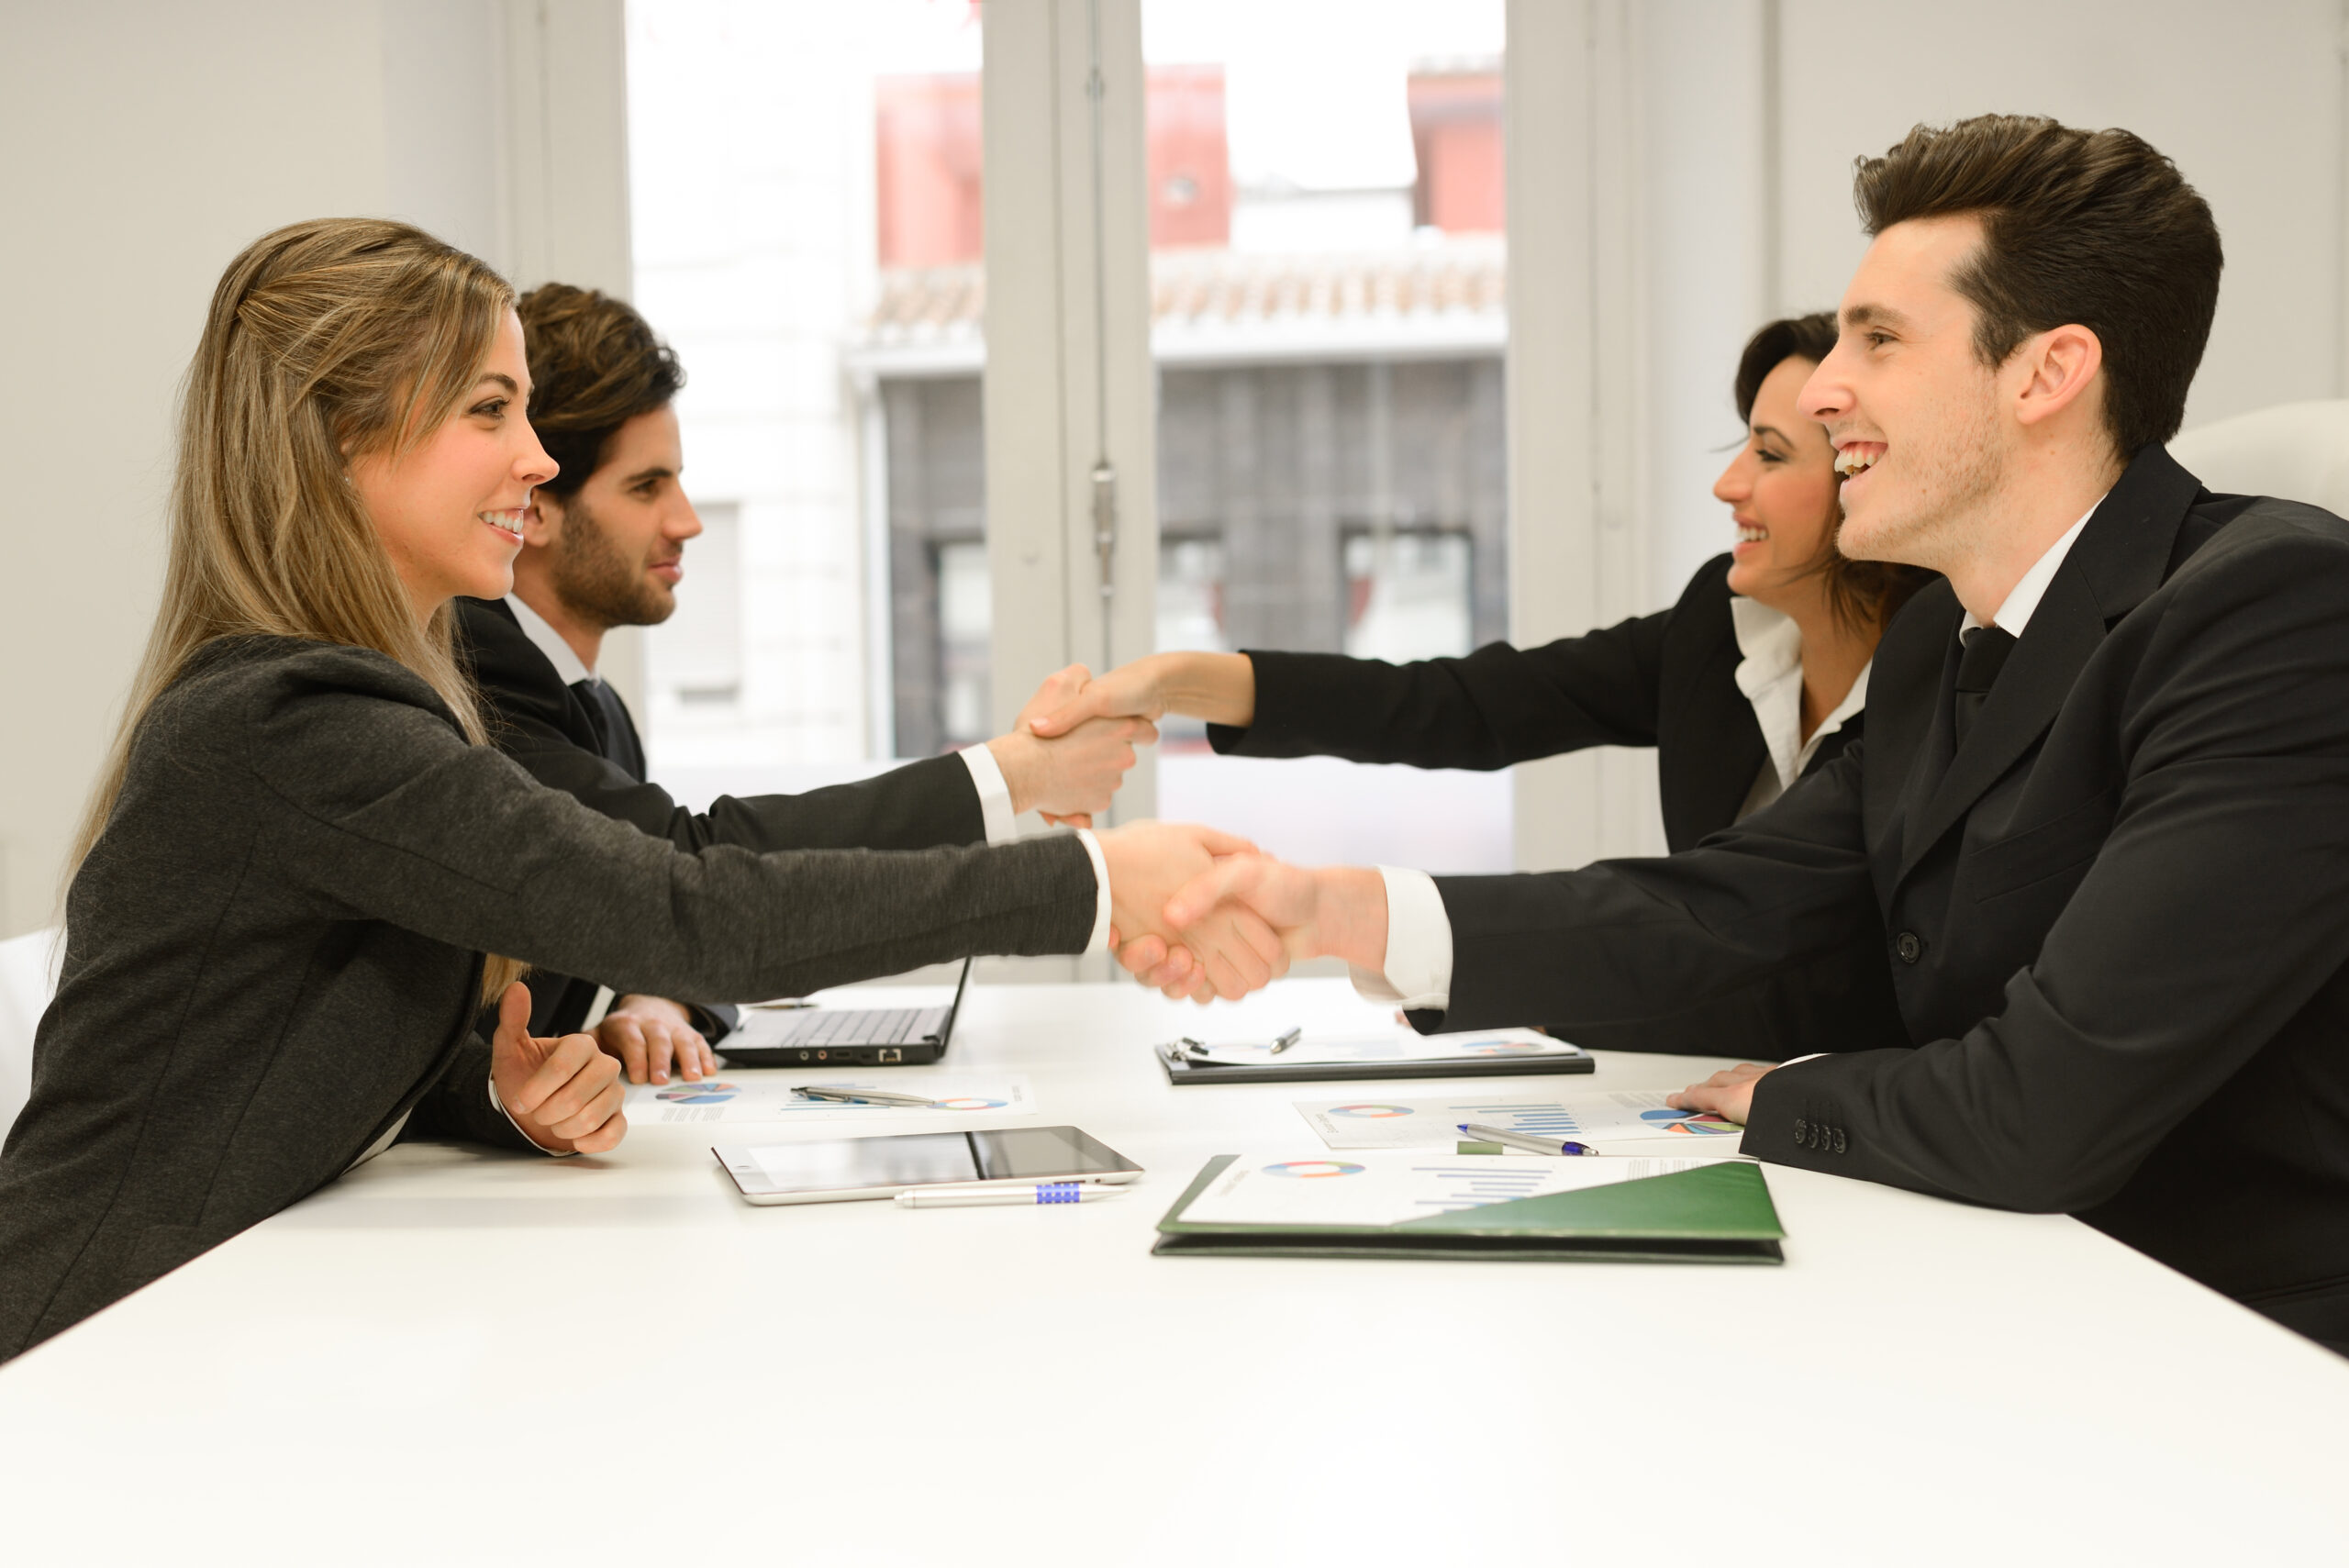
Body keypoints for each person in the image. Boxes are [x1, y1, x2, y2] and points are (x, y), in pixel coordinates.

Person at [1135, 115, 2349, 1351]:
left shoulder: (2273, 610)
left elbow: (2044, 1106)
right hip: (2015, 1280)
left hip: (2240, 1344)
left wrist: (1794, 1095)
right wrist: (1338, 911)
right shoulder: (1938, 644)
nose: (1829, 390)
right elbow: (1740, 919)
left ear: (2045, 373)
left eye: (1878, 340)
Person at [0, 218, 1275, 1362]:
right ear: (345, 439)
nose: (537, 462)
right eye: (489, 411)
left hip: (203, 1337)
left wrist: (495, 1091)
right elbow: (687, 911)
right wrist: (1094, 883)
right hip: (78, 1354)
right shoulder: (294, 723)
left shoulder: (331, 708)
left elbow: (273, 1046)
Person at [1033, 314, 1932, 1047]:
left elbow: (1791, 952)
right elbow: (1463, 704)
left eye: (1770, 456)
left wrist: (1523, 972)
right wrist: (1172, 682)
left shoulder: (1945, 691)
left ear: (1863, 474)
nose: (1727, 485)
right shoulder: (1720, 629)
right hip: (1692, 1085)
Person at [457, 284, 1151, 1085]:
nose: (687, 520)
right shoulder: (482, 676)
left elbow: (654, 907)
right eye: (647, 487)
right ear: (535, 503)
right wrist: (1018, 773)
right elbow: (690, 868)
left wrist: (660, 998)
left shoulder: (595, 704)